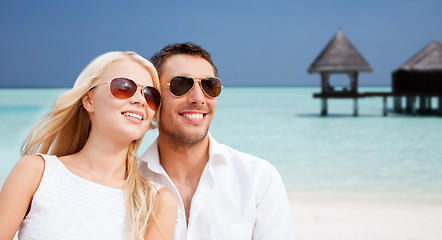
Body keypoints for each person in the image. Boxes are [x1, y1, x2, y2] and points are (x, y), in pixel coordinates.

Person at [0, 51, 177, 240]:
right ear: (89, 100)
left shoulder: (157, 202)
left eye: (150, 95)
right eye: (124, 87)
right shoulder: (36, 173)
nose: (140, 100)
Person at [139, 43, 294, 239]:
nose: (198, 98)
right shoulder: (129, 184)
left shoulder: (258, 179)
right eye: (181, 85)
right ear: (153, 98)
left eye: (209, 86)